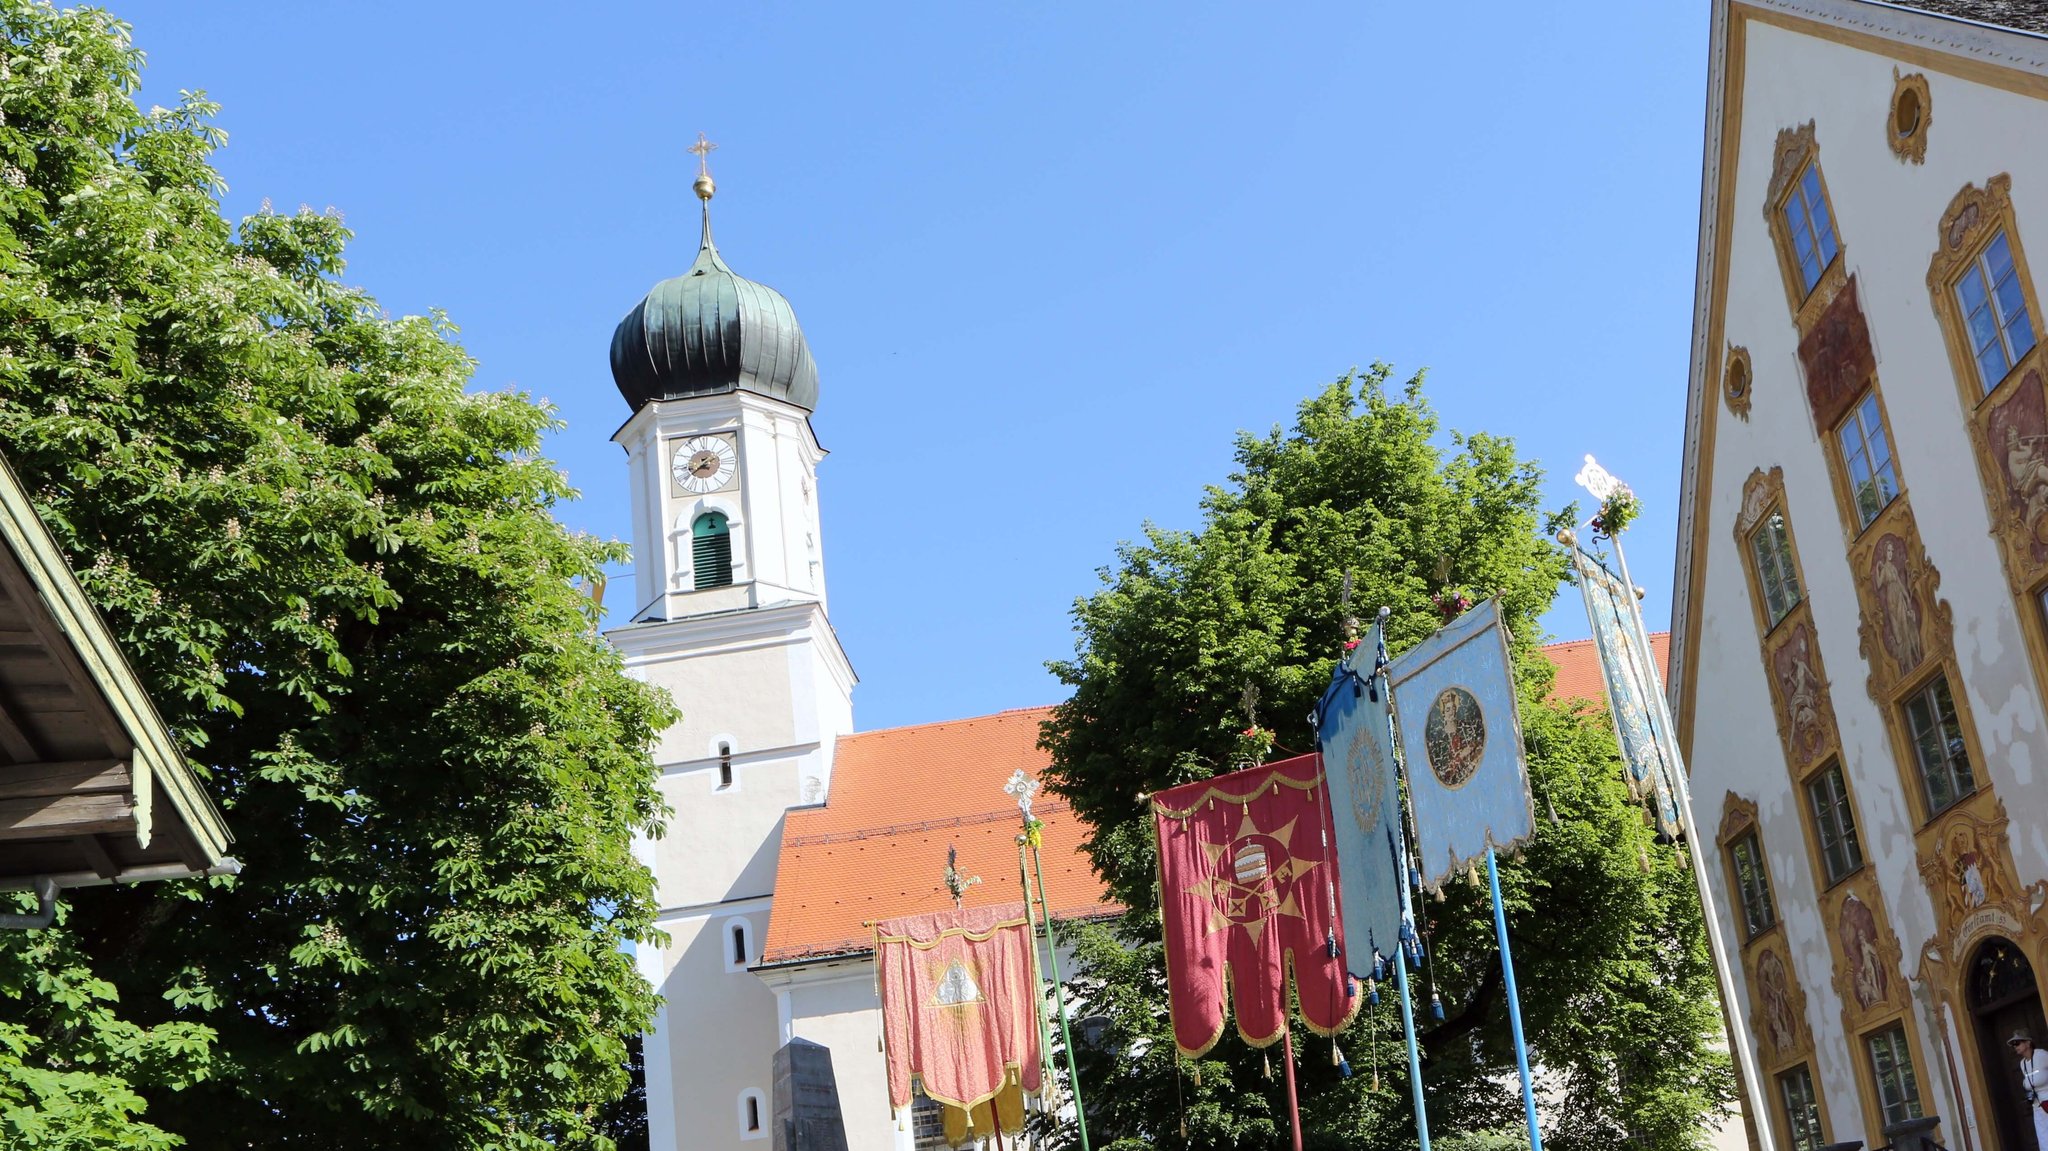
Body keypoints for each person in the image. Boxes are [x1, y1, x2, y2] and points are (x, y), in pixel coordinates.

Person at [2012, 1029, 2048, 1149]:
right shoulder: (2023, 1064)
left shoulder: (2041, 1055)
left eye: (2017, 1043)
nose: (2015, 1046)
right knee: (2044, 1140)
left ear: (2027, 1043)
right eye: (2013, 1044)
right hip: (2038, 1106)